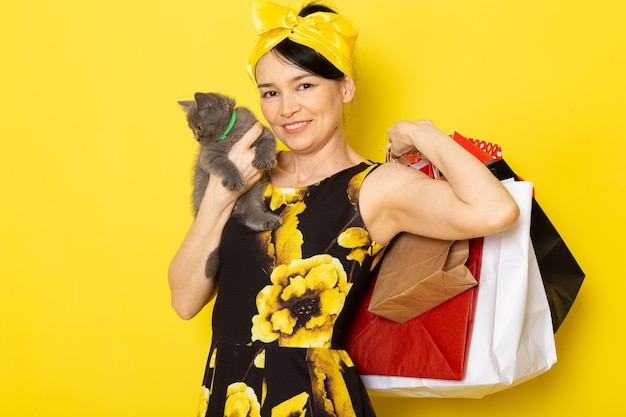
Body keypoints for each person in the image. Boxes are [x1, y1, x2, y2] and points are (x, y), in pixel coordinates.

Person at [169, 1, 519, 416]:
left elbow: (495, 210)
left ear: (345, 88)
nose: (286, 109)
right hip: (229, 397)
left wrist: (420, 133)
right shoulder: (246, 173)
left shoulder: (375, 188)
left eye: (305, 86)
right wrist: (218, 196)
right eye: (270, 93)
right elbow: (185, 300)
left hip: (313, 399)